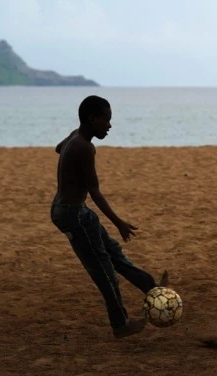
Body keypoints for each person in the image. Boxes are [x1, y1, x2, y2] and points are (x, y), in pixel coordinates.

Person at [51, 95, 168, 339]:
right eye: (106, 120)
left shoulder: (76, 136)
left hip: (76, 210)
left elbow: (58, 148)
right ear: (92, 119)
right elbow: (95, 192)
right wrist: (119, 222)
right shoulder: (85, 147)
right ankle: (120, 323)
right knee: (103, 268)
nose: (110, 126)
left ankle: (152, 287)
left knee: (114, 254)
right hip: (72, 214)